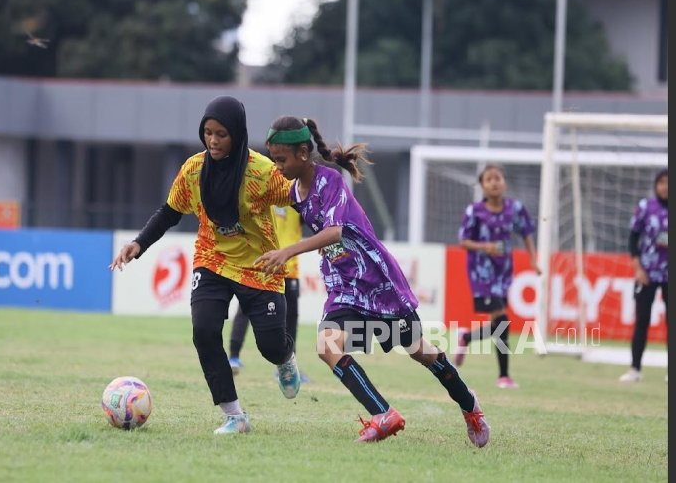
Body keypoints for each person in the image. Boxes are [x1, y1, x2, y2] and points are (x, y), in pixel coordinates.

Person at [255, 116, 489, 447]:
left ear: (303, 154)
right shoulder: (294, 191)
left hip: (376, 280)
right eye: (274, 159)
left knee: (420, 351)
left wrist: (287, 252)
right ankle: (383, 414)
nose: (277, 166)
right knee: (326, 345)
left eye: (281, 159)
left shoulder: (330, 181)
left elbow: (335, 231)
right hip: (344, 287)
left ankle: (469, 405)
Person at [109, 96, 301, 435]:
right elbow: (169, 212)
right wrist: (138, 244)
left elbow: (300, 193)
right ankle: (235, 416)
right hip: (212, 260)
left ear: (238, 135)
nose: (213, 140)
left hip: (260, 266)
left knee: (271, 347)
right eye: (208, 132)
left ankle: (285, 359)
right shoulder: (193, 169)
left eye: (221, 134)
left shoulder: (262, 173)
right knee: (204, 331)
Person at [454, 165, 539, 389]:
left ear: (504, 182)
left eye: (497, 178)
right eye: (489, 179)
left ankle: (466, 338)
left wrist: (533, 260)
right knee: (502, 320)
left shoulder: (515, 208)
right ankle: (504, 376)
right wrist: (486, 247)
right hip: (481, 272)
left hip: (504, 271)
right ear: (482, 185)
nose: (494, 182)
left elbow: (527, 233)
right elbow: (463, 241)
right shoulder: (475, 211)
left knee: (498, 323)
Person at [229, 202, 309, 383]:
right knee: (287, 316)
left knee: (248, 308)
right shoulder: (277, 195)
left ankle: (235, 357)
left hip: (275, 265)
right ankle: (236, 357)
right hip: (272, 264)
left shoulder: (295, 200)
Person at [620, 169, 668, 383]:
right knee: (642, 320)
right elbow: (633, 240)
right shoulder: (645, 207)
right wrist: (638, 268)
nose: (665, 186)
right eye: (662, 182)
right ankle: (635, 369)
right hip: (647, 273)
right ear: (656, 185)